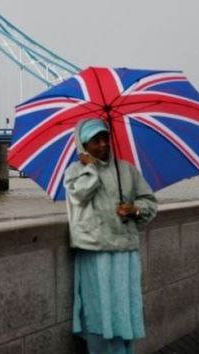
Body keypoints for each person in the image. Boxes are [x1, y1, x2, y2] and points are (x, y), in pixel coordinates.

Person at [63, 118, 157, 354]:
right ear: (83, 145)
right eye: (96, 140)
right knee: (98, 310)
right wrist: (90, 169)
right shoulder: (75, 172)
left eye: (106, 138)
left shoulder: (127, 170)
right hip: (95, 252)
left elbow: (150, 202)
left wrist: (134, 208)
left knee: (123, 309)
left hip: (125, 251)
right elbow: (79, 196)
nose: (104, 144)